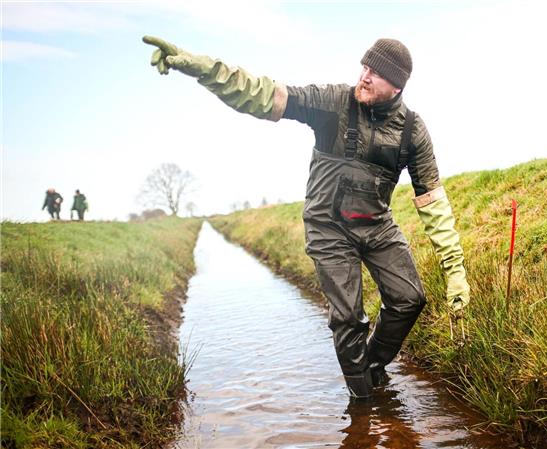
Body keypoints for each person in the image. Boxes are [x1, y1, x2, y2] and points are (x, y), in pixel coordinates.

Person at [143, 36, 471, 398]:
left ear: (397, 85)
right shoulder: (334, 103)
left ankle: (372, 367)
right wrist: (200, 67)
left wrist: (455, 271)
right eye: (364, 67)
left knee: (409, 298)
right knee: (349, 319)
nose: (364, 76)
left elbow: (433, 204)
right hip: (328, 228)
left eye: (375, 73)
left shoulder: (412, 131)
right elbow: (260, 93)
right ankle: (363, 404)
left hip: (378, 226)